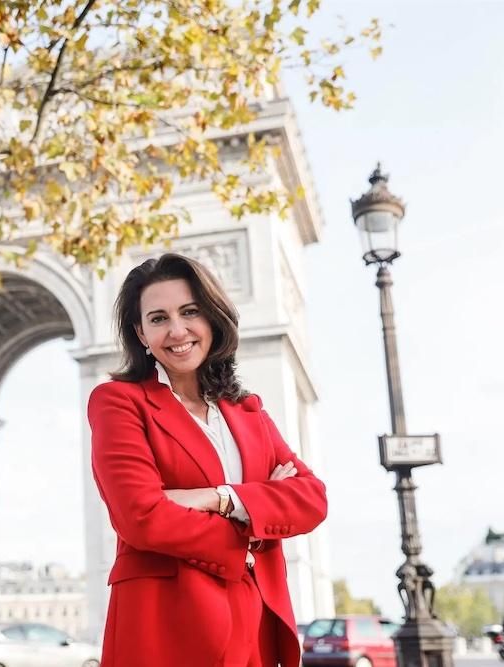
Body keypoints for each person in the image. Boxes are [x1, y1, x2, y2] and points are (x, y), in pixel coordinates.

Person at [87, 253, 328, 667]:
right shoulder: (118, 403)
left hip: (258, 624)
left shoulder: (248, 410)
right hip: (164, 625)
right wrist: (256, 519)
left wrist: (218, 498)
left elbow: (311, 499)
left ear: (212, 318)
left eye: (190, 312)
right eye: (158, 318)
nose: (177, 330)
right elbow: (141, 516)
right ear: (141, 334)